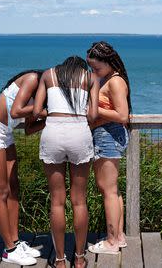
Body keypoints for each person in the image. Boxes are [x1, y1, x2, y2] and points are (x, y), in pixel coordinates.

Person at [0, 70, 45, 266]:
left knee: (14, 187)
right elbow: (15, 111)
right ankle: (9, 250)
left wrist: (49, 117)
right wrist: (45, 112)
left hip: (5, 133)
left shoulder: (42, 97)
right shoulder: (32, 79)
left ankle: (14, 241)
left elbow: (30, 129)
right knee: (1, 190)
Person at [33, 56, 99, 268]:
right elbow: (93, 114)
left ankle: (60, 261)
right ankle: (79, 259)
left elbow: (35, 112)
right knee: (79, 200)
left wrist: (53, 113)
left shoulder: (48, 75)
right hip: (79, 131)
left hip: (53, 131)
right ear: (81, 68)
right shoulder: (90, 78)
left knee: (57, 201)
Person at [85, 41, 131, 255]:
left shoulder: (115, 81)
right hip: (106, 136)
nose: (93, 71)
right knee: (112, 190)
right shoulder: (108, 78)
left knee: (108, 191)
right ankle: (118, 237)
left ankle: (111, 242)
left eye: (96, 67)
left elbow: (123, 116)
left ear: (108, 62)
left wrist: (94, 109)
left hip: (108, 137)